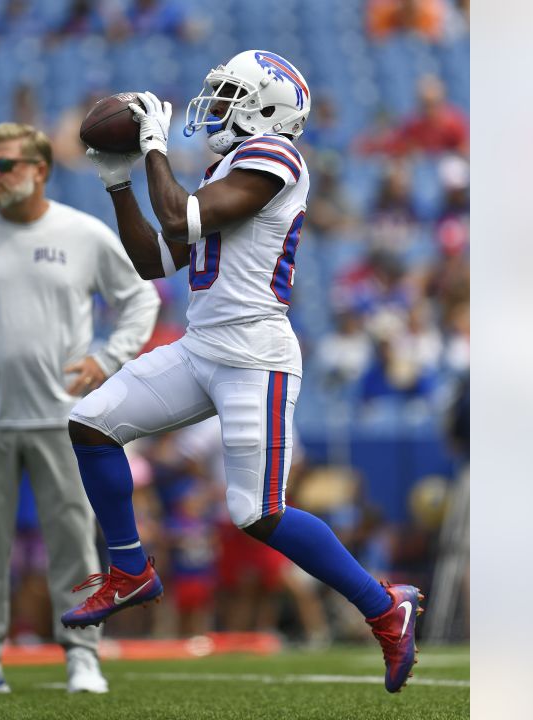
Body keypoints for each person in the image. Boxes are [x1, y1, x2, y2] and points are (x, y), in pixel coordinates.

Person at [61, 51, 426, 693]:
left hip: (255, 356)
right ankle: (130, 570)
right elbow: (154, 259)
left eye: (230, 95)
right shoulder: (226, 165)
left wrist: (152, 151)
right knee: (90, 422)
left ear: (267, 108)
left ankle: (382, 606)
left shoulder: (278, 158)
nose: (217, 106)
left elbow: (177, 217)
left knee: (255, 512)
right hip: (203, 345)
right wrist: (120, 182)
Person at [0, 123, 160, 694]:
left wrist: (109, 359)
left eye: (5, 164)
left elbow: (139, 296)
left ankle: (82, 656)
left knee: (73, 542)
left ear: (39, 170)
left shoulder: (81, 233)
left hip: (59, 417)